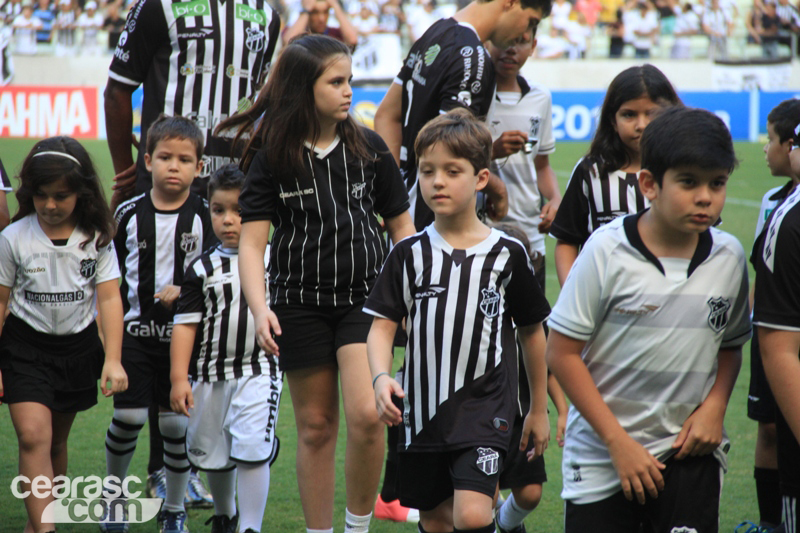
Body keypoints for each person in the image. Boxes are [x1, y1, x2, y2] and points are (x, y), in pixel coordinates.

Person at [223, 34, 415, 533]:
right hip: (298, 305)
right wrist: (260, 307)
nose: (349, 90)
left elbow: (402, 229)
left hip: (365, 303)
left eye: (349, 79)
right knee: (314, 427)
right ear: (303, 88)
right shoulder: (272, 156)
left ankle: (357, 527)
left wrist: (409, 293)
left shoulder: (370, 147)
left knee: (370, 416)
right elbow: (251, 245)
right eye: (337, 81)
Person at [547, 106, 750, 533]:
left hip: (688, 451)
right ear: (649, 185)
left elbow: (731, 344)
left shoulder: (729, 257)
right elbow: (561, 352)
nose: (705, 197)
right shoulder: (605, 250)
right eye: (689, 182)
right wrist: (618, 444)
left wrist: (715, 407)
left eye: (717, 183)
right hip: (603, 454)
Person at [365, 108, 551, 533]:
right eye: (428, 171)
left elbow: (532, 334)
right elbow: (381, 327)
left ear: (481, 179)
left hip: (487, 408)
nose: (438, 181)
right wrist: (379, 378)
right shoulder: (407, 254)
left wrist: (538, 409)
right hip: (421, 412)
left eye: (452, 171)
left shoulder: (507, 254)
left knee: (471, 515)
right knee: (434, 521)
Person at [0, 137, 128, 533]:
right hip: (24, 347)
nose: (50, 205)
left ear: (82, 193)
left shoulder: (98, 238)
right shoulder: (13, 239)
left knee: (54, 441)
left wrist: (112, 358)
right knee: (33, 436)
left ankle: (39, 521)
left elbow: (108, 299)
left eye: (61, 196)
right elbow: (0, 304)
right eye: (41, 196)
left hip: (77, 349)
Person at [102, 115, 214, 533]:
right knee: (129, 418)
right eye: (164, 157)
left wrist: (182, 289)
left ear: (199, 168)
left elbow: (213, 273)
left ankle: (174, 509)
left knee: (174, 423)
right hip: (133, 334)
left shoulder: (205, 215)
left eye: (185, 159)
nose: (174, 166)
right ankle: (113, 496)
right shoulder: (129, 213)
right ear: (147, 160)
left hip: (182, 340)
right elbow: (106, 273)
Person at [170, 164, 283, 533]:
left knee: (251, 449)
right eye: (219, 211)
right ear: (209, 211)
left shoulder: (275, 260)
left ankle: (251, 526)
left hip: (259, 369)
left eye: (240, 210)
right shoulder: (201, 268)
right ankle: (225, 515)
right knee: (213, 456)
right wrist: (178, 379)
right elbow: (185, 327)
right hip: (208, 375)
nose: (229, 220)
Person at [373, 0, 553, 232]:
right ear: (510, 3)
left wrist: (394, 196)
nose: (525, 34)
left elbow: (386, 115)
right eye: (531, 22)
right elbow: (450, 153)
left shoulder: (435, 32)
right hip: (437, 228)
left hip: (408, 217)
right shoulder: (473, 57)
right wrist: (497, 188)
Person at [104, 0, 281, 208]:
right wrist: (126, 174)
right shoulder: (158, 5)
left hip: (235, 187)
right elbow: (117, 90)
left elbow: (257, 97)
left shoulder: (268, 17)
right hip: (164, 185)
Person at [549, 64, 681, 285]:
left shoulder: (684, 169)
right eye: (629, 115)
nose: (641, 125)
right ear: (612, 120)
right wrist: (571, 296)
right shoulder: (590, 172)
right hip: (604, 304)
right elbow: (567, 242)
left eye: (652, 114)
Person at [750, 99, 800, 533]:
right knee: (769, 426)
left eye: (770, 140)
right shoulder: (776, 208)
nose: (766, 149)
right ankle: (770, 521)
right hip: (772, 333)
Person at [281, 0, 358, 47]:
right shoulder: (298, 33)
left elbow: (352, 40)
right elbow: (288, 41)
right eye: (315, 12)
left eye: (325, 12)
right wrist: (306, 10)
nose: (321, 18)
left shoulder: (333, 34)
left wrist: (335, 6)